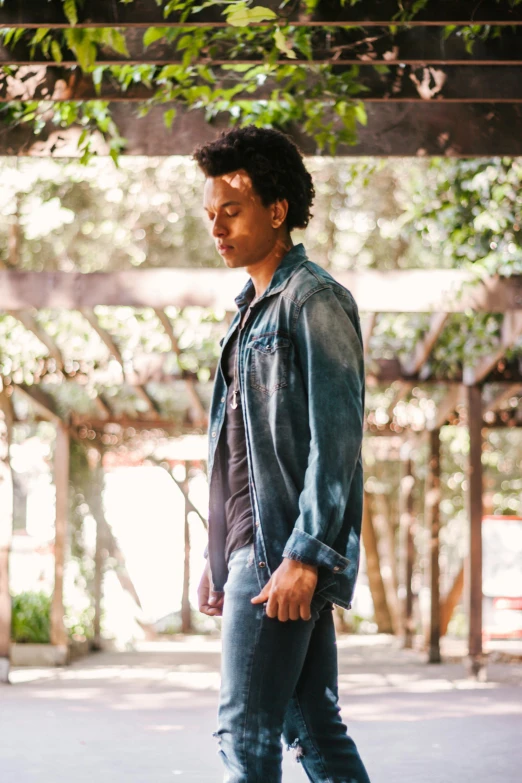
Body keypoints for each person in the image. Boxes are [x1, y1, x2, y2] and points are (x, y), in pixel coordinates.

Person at [194, 126, 370, 783]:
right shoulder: (247, 313)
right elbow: (235, 457)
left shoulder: (313, 300)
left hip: (282, 553)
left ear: (277, 210)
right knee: (314, 727)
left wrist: (306, 554)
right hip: (254, 549)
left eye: (231, 211)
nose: (217, 227)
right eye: (211, 214)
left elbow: (339, 440)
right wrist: (218, 554)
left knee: (247, 733)